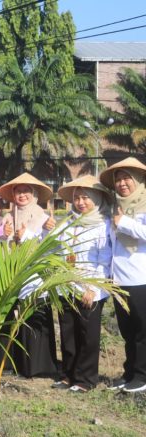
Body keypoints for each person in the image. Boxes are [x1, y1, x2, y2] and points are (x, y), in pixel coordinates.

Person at [51, 175, 112, 393]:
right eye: (77, 198)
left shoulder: (103, 225)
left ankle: (85, 379)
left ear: (96, 199)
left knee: (87, 334)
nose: (80, 202)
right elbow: (52, 248)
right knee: (67, 331)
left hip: (90, 287)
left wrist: (93, 288)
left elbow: (105, 260)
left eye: (86, 197)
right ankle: (68, 374)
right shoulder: (67, 222)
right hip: (66, 285)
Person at [0, 173, 58, 378]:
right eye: (18, 191)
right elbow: (0, 242)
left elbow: (49, 246)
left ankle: (37, 366)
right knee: (10, 316)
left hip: (34, 275)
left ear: (34, 194)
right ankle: (12, 363)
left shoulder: (43, 218)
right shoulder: (9, 216)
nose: (22, 195)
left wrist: (27, 235)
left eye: (26, 191)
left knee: (33, 318)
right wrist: (5, 234)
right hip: (11, 273)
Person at [100, 158, 146, 393]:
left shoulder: (144, 205)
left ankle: (142, 376)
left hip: (141, 278)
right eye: (118, 179)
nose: (122, 183)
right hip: (119, 279)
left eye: (127, 177)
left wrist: (125, 223)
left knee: (142, 331)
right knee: (127, 332)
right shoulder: (115, 208)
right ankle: (129, 373)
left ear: (137, 180)